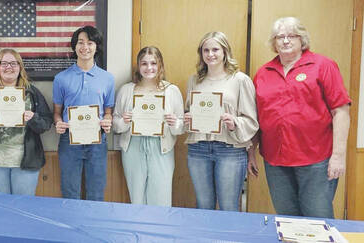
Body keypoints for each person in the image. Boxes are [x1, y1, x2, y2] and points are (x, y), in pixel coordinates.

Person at [250, 17, 351, 218]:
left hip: (316, 160)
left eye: (291, 36)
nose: (285, 41)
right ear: (274, 42)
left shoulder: (323, 65)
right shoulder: (263, 73)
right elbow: (257, 118)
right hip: (276, 161)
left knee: (317, 220)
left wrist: (338, 156)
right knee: (287, 220)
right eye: (280, 37)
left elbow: (341, 111)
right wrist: (251, 151)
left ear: (302, 39)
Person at [184, 32, 258, 211]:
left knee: (229, 206)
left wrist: (235, 123)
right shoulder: (195, 80)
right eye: (206, 50)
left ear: (225, 51)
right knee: (203, 205)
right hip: (198, 148)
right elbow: (188, 112)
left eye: (215, 49)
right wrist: (188, 118)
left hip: (230, 151)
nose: (210, 54)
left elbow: (251, 121)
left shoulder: (240, 80)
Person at [0, 49, 53, 195]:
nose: (8, 67)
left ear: (20, 67)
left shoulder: (32, 93)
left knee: (22, 207)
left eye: (13, 63)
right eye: (3, 63)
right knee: (0, 207)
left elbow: (46, 123)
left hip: (26, 161)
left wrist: (33, 118)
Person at [112, 46, 184, 206]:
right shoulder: (126, 90)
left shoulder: (171, 90)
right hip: (133, 147)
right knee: (136, 197)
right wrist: (124, 121)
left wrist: (174, 123)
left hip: (161, 147)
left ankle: (159, 229)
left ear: (160, 65)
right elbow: (115, 125)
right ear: (138, 66)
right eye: (144, 63)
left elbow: (181, 125)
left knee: (161, 196)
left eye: (153, 63)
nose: (149, 68)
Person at [53, 26, 115, 201]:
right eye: (80, 42)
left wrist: (108, 120)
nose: (85, 47)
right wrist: (58, 122)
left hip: (97, 141)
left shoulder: (108, 78)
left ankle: (94, 229)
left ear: (96, 47)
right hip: (69, 141)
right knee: (70, 193)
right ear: (74, 47)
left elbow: (108, 111)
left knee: (96, 193)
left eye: (90, 43)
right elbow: (56, 112)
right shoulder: (61, 78)